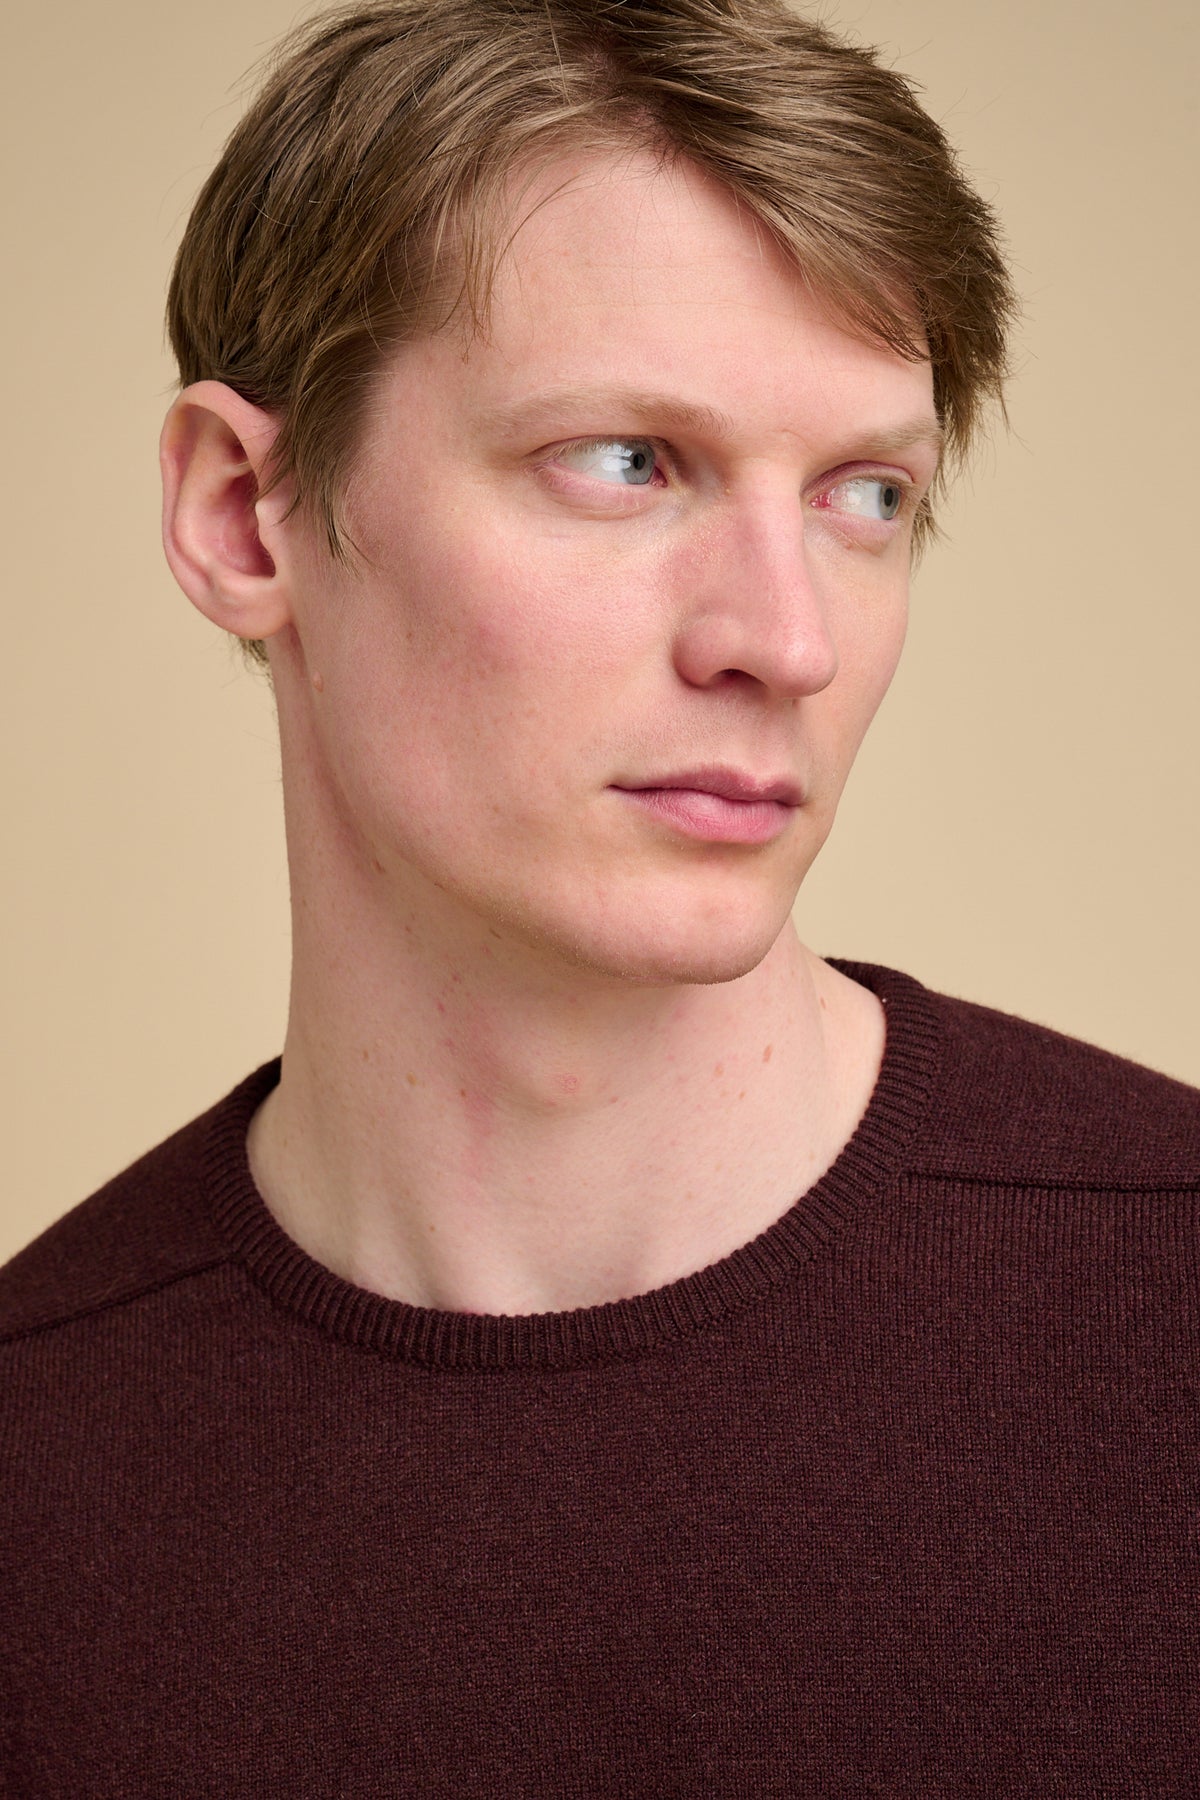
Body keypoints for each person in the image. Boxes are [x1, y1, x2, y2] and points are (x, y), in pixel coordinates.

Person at [3, 0, 1198, 1790]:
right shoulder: (36, 1470)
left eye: (867, 496)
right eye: (629, 463)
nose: (784, 640)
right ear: (246, 515)